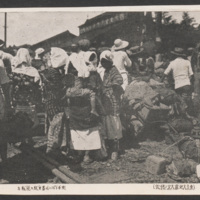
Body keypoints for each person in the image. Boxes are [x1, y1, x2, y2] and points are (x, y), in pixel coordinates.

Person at [100, 50, 124, 160]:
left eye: (105, 62)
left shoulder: (113, 70)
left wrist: (113, 85)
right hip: (106, 102)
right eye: (102, 62)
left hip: (113, 101)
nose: (103, 64)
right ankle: (110, 147)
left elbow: (119, 79)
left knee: (114, 124)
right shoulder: (106, 71)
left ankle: (115, 149)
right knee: (107, 123)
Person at [161, 47, 194, 114]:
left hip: (178, 85)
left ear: (175, 55)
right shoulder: (187, 62)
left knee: (178, 99)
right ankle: (189, 113)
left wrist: (161, 81)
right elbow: (192, 75)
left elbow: (165, 73)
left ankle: (182, 113)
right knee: (187, 98)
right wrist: (188, 81)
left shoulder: (172, 63)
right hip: (186, 84)